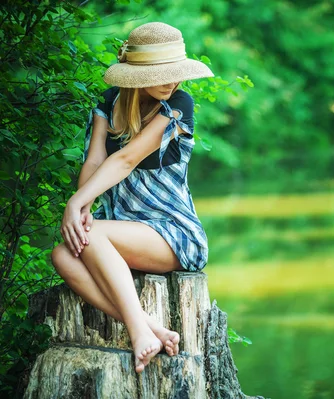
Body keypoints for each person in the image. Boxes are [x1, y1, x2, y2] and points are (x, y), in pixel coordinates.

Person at [50, 22, 213, 373]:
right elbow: (95, 160)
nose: (172, 81)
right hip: (123, 229)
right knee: (62, 255)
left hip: (173, 233)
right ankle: (146, 324)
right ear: (136, 73)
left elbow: (125, 159)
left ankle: (139, 332)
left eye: (175, 72)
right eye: (161, 73)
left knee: (90, 235)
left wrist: (75, 205)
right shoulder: (110, 104)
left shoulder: (179, 105)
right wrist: (84, 205)